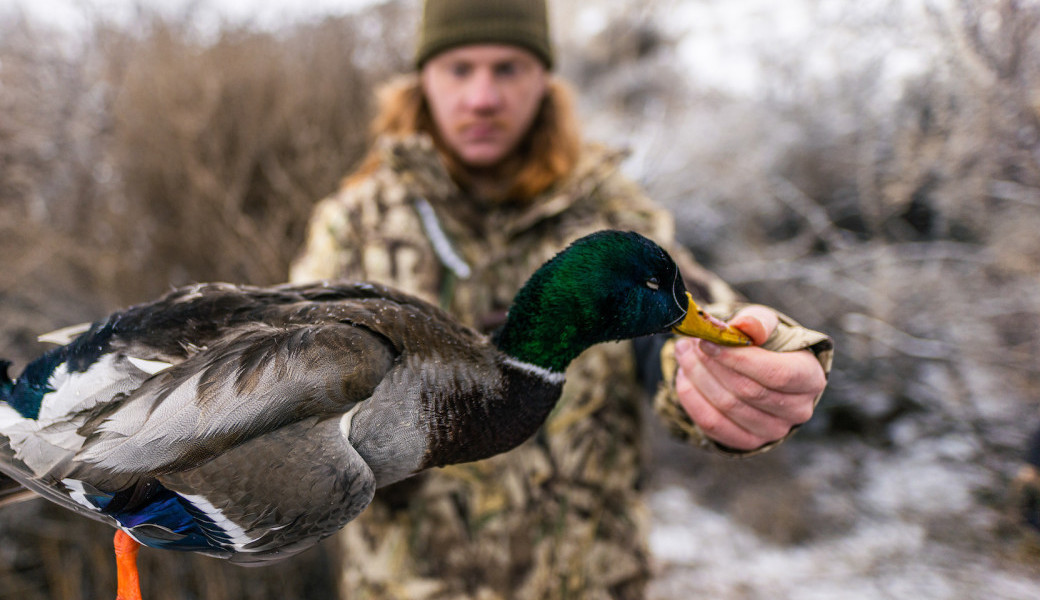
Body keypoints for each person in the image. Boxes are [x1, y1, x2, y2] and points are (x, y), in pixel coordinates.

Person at [289, 0, 834, 596]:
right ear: (423, 78)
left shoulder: (610, 213)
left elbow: (693, 313)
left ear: (544, 80)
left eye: (507, 68)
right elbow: (288, 386)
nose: (482, 97)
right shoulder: (353, 223)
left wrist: (751, 362)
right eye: (459, 69)